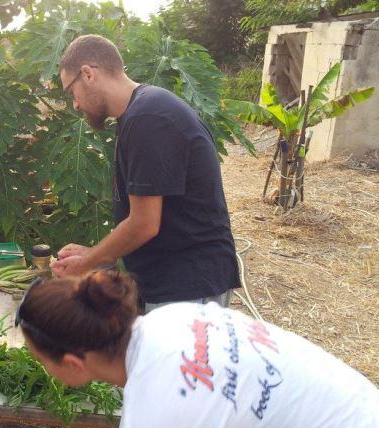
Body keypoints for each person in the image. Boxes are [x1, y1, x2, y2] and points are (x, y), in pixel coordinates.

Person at [16, 271, 379, 428]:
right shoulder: (173, 318)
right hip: (364, 418)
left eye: (40, 360)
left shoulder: (155, 427)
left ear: (73, 365)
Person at [51, 34, 240, 312]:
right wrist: (96, 255)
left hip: (187, 288)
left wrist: (88, 263)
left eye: (71, 92)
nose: (75, 104)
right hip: (173, 282)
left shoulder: (148, 118)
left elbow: (144, 223)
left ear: (88, 74)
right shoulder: (140, 113)